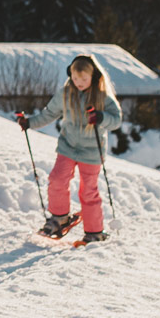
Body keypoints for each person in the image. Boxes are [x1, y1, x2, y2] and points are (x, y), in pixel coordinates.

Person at [18, 53, 123, 242]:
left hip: (91, 151)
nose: (79, 83)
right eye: (75, 78)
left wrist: (101, 117)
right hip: (68, 147)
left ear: (93, 77)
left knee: (88, 191)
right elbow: (49, 113)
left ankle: (94, 232)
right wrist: (30, 123)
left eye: (83, 79)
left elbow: (116, 120)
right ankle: (60, 218)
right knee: (57, 179)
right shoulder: (65, 94)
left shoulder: (102, 96)